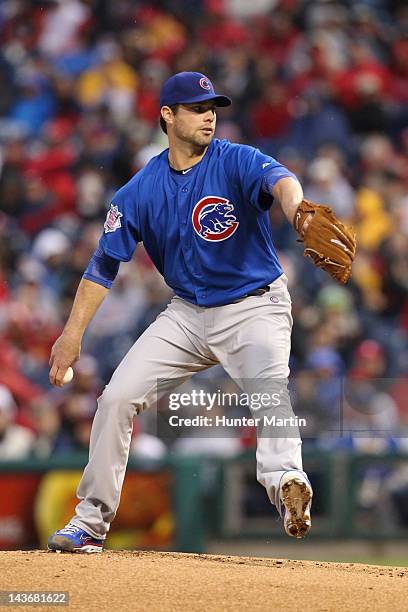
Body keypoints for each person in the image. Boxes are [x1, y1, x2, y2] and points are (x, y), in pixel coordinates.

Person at [48, 72, 314, 553]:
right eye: (195, 107)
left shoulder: (235, 159)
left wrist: (299, 212)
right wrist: (72, 336)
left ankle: (288, 482)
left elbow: (282, 181)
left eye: (212, 106)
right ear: (168, 116)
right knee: (115, 400)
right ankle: (89, 523)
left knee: (269, 393)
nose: (209, 114)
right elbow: (103, 263)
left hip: (255, 305)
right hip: (188, 314)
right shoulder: (140, 189)